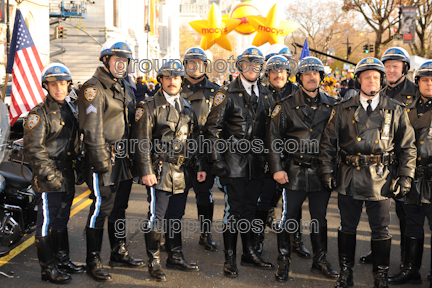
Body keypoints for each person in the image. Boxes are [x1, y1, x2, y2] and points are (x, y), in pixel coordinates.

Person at [320, 57, 417, 288]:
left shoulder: (395, 110)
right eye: (366, 77)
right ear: (359, 81)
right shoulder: (342, 109)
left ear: (381, 80)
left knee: (381, 229)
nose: (371, 81)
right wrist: (326, 171)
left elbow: (407, 147)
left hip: (382, 178)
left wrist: (406, 176)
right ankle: (346, 273)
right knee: (347, 227)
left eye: (375, 77)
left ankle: (380, 275)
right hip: (349, 176)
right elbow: (328, 144)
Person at [266, 56, 338, 282]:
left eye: (315, 73)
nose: (311, 77)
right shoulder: (285, 105)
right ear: (300, 78)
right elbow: (274, 139)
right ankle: (284, 259)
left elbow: (338, 139)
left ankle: (320, 259)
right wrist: (277, 168)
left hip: (320, 171)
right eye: (307, 74)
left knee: (319, 218)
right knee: (289, 217)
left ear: (321, 78)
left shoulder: (332, 105)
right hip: (294, 170)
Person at [132, 60, 205, 282]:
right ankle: (153, 261)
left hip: (182, 170)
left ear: (182, 80)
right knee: (157, 216)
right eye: (167, 77)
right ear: (160, 80)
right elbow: (141, 142)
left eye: (176, 77)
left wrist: (200, 166)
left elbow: (194, 140)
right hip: (159, 170)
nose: (172, 81)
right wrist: (146, 171)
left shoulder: (188, 107)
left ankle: (175, 255)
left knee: (176, 215)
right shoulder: (147, 107)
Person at [205, 46, 274, 278]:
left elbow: (270, 132)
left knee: (250, 212)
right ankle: (230, 258)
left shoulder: (266, 94)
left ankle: (249, 253)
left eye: (257, 64)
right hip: (232, 163)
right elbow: (212, 129)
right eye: (248, 63)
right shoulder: (225, 93)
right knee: (233, 213)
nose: (253, 68)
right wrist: (218, 163)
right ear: (240, 66)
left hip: (256, 165)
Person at [78, 40, 142, 282]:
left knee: (119, 208)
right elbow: (92, 130)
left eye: (125, 60)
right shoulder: (93, 88)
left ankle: (118, 251)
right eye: (117, 59)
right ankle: (92, 260)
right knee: (100, 210)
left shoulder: (122, 86)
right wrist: (102, 163)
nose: (121, 64)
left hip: (123, 159)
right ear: (105, 60)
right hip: (103, 158)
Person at [24, 63, 85, 284]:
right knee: (46, 222)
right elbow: (34, 150)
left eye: (62, 83)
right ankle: (48, 268)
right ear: (46, 86)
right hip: (48, 176)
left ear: (69, 84)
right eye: (53, 84)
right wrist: (49, 176)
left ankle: (62, 260)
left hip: (66, 172)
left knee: (61, 220)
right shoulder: (38, 114)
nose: (59, 88)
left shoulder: (69, 107)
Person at [359, 47, 418, 267]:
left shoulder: (416, 91)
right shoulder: (375, 89)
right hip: (379, 168)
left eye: (396, 65)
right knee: (378, 217)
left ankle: (407, 262)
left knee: (406, 216)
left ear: (405, 67)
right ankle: (378, 253)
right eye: (387, 65)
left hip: (404, 163)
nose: (391, 70)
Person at [387, 61, 431, 285]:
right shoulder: (407, 109)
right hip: (411, 177)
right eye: (425, 80)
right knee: (412, 225)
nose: (429, 83)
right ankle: (411, 269)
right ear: (418, 83)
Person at [181, 47, 220, 251]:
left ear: (205, 66)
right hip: (178, 153)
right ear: (185, 65)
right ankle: (170, 236)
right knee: (175, 198)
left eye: (199, 62)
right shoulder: (174, 87)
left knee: (204, 197)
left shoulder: (216, 91)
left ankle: (205, 234)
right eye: (191, 62)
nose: (195, 65)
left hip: (204, 153)